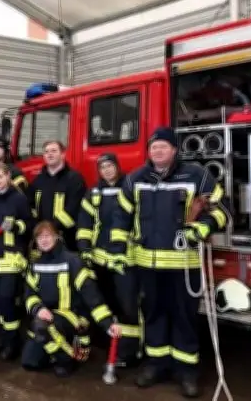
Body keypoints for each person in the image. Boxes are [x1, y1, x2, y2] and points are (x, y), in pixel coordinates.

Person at [110, 127, 229, 399]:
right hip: (147, 265)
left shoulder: (197, 176)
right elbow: (121, 216)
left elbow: (221, 209)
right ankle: (156, 365)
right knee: (153, 315)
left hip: (183, 264)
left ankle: (187, 371)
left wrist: (203, 227)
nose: (158, 151)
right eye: (153, 147)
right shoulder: (135, 179)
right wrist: (118, 249)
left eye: (163, 146)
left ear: (175, 150)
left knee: (184, 317)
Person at [21, 221, 121, 377]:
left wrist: (107, 323)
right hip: (50, 318)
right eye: (40, 238)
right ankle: (57, 351)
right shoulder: (36, 265)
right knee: (30, 362)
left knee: (41, 327)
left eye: (47, 236)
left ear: (56, 237)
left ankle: (68, 358)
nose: (44, 240)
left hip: (73, 317)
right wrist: (38, 308)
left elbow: (91, 295)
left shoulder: (73, 261)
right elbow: (29, 294)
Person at [76, 153, 141, 365]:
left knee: (128, 307)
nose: (107, 170)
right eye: (102, 167)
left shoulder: (130, 189)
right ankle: (109, 345)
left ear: (118, 167)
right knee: (104, 304)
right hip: (100, 260)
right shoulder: (93, 193)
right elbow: (84, 225)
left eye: (110, 166)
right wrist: (85, 251)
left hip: (125, 260)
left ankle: (129, 353)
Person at [0, 162, 33, 360]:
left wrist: (17, 225)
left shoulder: (18, 199)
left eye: (0, 177)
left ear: (8, 176)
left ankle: (12, 344)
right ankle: (2, 339)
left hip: (11, 260)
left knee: (7, 302)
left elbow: (29, 224)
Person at [27, 141, 86, 253]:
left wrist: (52, 229)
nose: (50, 154)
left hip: (66, 240)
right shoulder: (37, 181)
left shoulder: (75, 179)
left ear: (63, 154)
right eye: (46, 152)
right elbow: (30, 207)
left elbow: (74, 210)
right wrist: (38, 228)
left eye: (54, 151)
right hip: (42, 239)